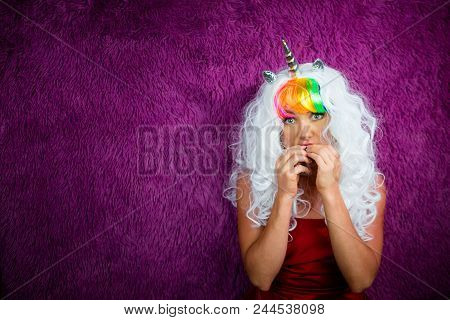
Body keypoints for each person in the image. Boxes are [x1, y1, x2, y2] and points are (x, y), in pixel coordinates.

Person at [223, 39, 387, 299]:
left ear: (337, 121)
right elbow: (260, 279)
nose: (305, 132)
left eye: (316, 115)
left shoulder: (369, 185)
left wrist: (331, 190)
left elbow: (360, 280)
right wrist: (284, 194)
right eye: (290, 119)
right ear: (275, 130)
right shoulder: (251, 183)